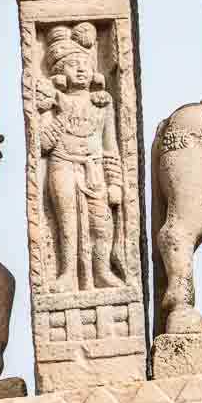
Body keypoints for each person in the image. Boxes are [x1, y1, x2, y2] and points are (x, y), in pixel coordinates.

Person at [39, 22, 125, 291]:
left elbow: (110, 147)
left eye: (84, 64)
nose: (79, 69)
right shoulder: (52, 102)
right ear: (58, 72)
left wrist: (116, 184)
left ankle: (101, 271)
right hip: (62, 165)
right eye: (71, 64)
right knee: (67, 224)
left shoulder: (102, 103)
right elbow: (42, 143)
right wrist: (59, 114)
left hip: (95, 168)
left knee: (102, 226)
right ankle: (67, 274)